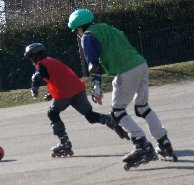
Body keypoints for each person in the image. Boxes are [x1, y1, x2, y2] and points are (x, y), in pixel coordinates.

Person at [67, 9, 177, 168]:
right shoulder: (108, 28)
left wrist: (96, 87)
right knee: (143, 108)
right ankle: (164, 143)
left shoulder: (87, 36)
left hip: (125, 70)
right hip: (140, 64)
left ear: (78, 28)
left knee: (117, 112)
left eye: (75, 31)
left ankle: (141, 144)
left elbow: (93, 65)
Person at [24, 43, 129, 157]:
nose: (31, 60)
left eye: (31, 57)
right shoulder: (54, 61)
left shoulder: (41, 65)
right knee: (90, 116)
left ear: (35, 56)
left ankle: (65, 143)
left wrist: (34, 87)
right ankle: (109, 120)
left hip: (64, 94)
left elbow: (38, 76)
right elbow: (60, 78)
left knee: (52, 113)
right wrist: (50, 93)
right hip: (78, 90)